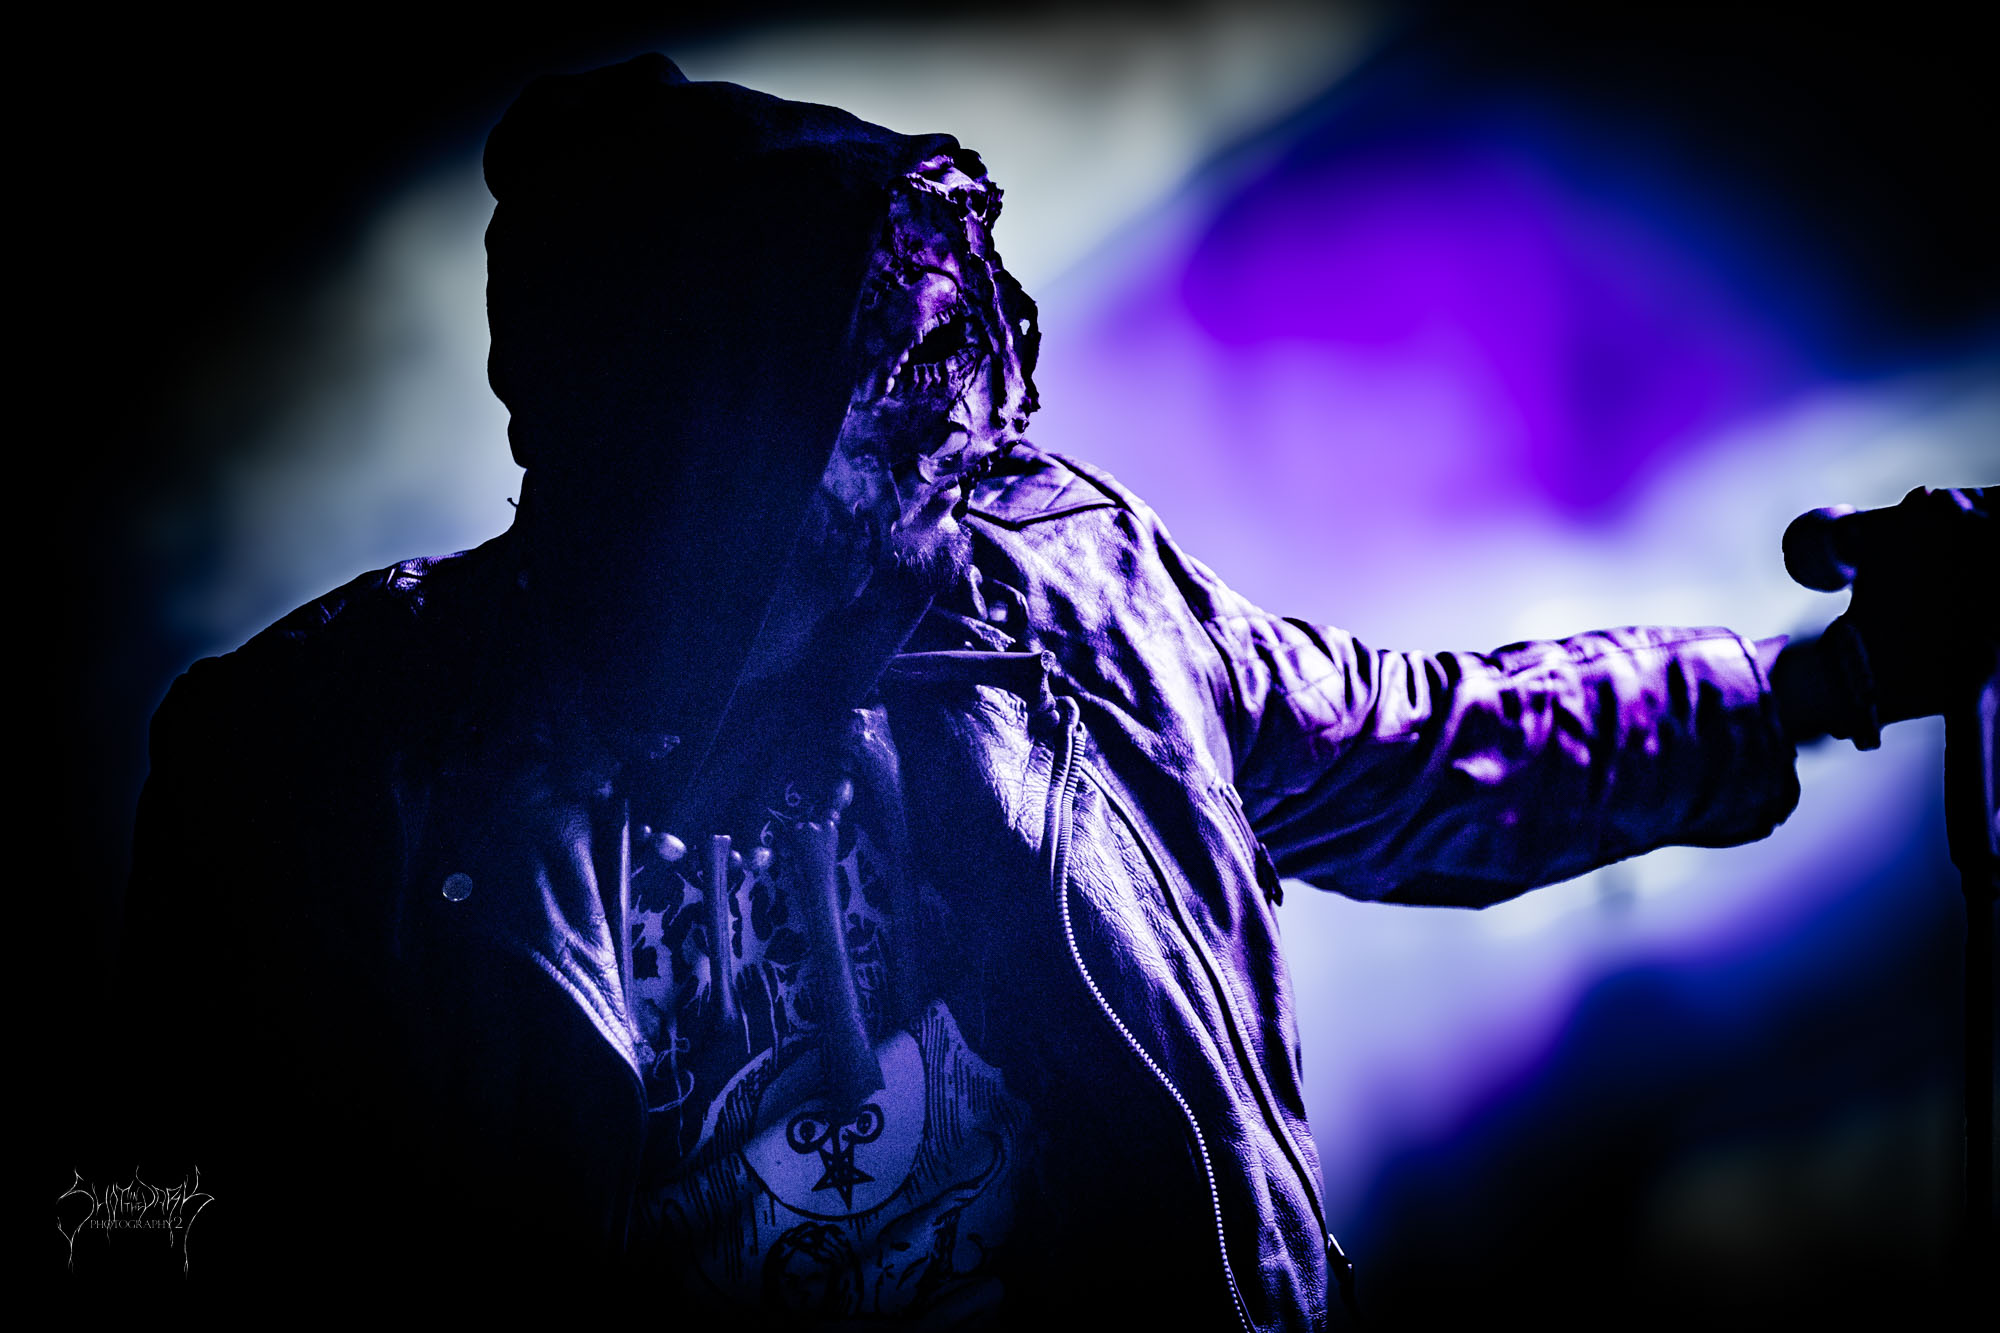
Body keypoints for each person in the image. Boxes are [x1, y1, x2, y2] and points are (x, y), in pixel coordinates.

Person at [119, 55, 1989, 1325]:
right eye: (876, 385)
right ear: (700, 443)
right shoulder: (316, 775)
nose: (954, 440)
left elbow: (1426, 747)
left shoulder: (1060, 598)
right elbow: (138, 1216)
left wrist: (1835, 677)